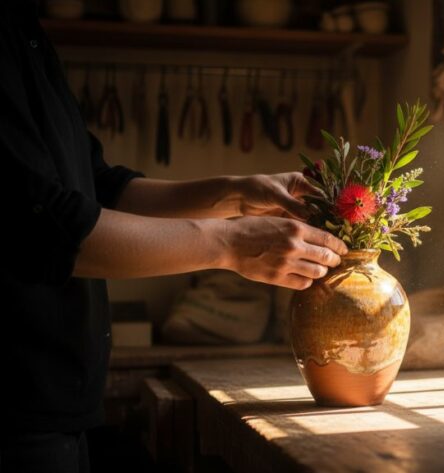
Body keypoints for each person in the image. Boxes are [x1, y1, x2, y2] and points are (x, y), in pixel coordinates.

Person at [0, 1, 347, 471]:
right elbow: (41, 226)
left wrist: (238, 194)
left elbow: (100, 187)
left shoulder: (23, 24)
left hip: (58, 402)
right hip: (12, 408)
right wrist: (232, 244)